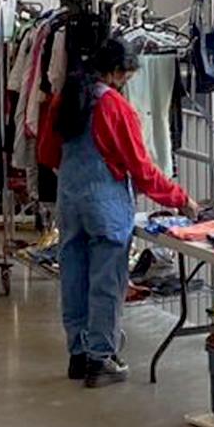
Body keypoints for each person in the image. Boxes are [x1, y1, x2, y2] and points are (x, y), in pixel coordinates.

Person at [38, 35, 196, 387]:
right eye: (126, 77)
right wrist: (181, 199)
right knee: (107, 284)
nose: (126, 84)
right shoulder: (115, 107)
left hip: (70, 203)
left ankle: (78, 356)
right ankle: (101, 359)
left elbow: (48, 155)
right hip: (105, 207)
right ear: (115, 72)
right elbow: (141, 169)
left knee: (74, 279)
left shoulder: (63, 99)